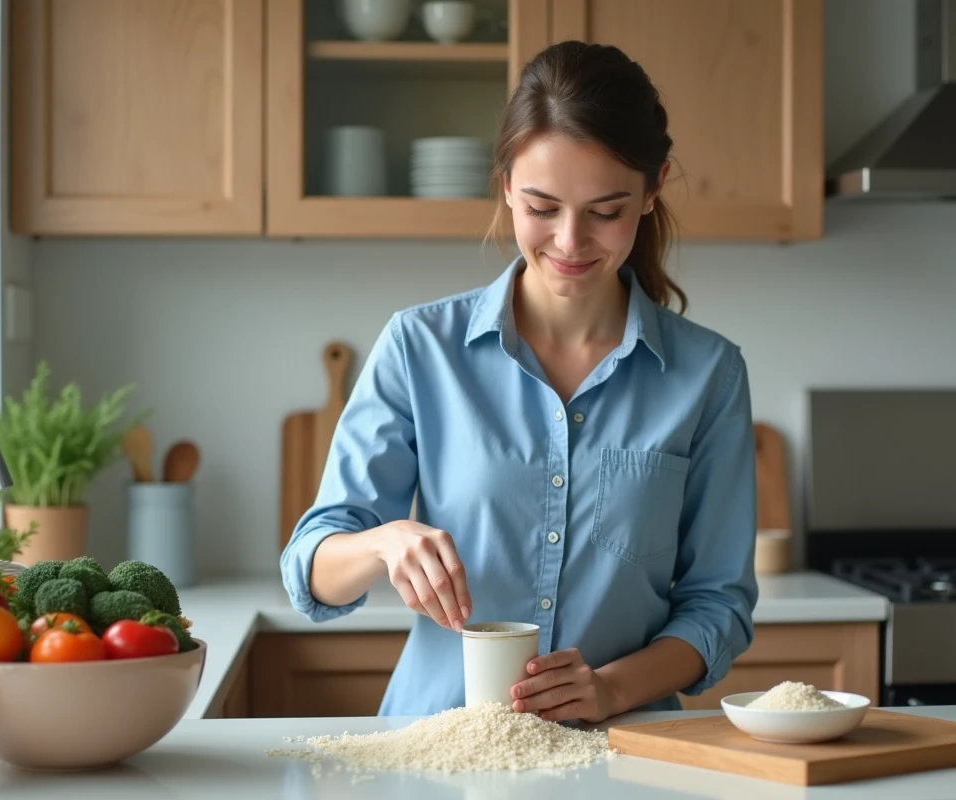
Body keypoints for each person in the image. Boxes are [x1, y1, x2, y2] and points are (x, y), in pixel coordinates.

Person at [281, 40, 758, 724]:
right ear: (505, 183)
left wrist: (613, 688)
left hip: (624, 757)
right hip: (438, 748)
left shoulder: (708, 375)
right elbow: (312, 568)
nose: (569, 241)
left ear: (654, 190)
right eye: (542, 206)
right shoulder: (420, 348)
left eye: (605, 210)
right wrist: (384, 542)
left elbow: (719, 603)